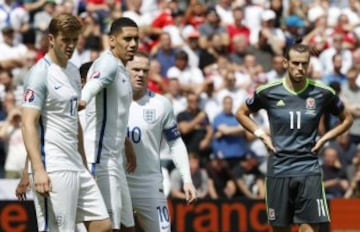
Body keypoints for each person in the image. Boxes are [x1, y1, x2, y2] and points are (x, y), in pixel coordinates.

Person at [236, 42, 353, 232]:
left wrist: (325, 139)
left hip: (308, 168)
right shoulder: (268, 91)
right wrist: (261, 135)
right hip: (279, 168)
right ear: (285, 63)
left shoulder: (322, 92)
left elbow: (346, 119)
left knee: (311, 229)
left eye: (304, 64)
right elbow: (241, 113)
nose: (300, 68)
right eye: (296, 63)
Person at [20, 13, 111, 232]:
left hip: (75, 163)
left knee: (103, 224)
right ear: (51, 39)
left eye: (74, 39)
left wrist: (84, 162)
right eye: (65, 40)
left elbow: (74, 120)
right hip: (53, 165)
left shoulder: (72, 70)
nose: (70, 45)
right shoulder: (39, 74)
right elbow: (28, 124)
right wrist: (38, 169)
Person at [79, 17, 139, 232]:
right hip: (100, 159)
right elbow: (93, 84)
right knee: (108, 228)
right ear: (112, 40)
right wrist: (82, 100)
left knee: (127, 227)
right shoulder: (107, 63)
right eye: (128, 38)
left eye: (136, 39)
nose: (133, 44)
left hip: (116, 160)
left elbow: (115, 114)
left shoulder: (122, 69)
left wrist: (126, 143)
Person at [126, 51, 197, 232]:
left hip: (149, 183)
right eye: (135, 69)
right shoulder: (111, 101)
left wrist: (187, 180)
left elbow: (175, 143)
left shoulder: (161, 104)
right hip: (118, 181)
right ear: (124, 69)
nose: (140, 74)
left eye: (145, 70)